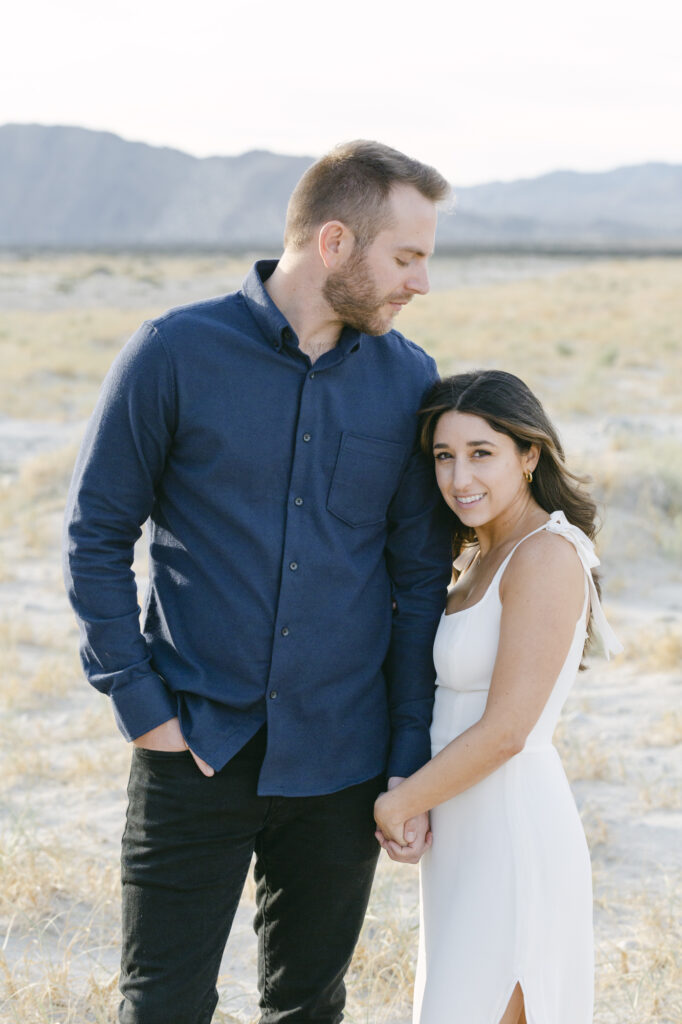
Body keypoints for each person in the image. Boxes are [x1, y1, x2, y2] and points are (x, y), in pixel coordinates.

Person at [62, 141, 453, 1024]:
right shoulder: (172, 352)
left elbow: (417, 580)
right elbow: (95, 536)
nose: (421, 283)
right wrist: (142, 707)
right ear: (335, 243)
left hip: (342, 763)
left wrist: (403, 757)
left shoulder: (409, 380)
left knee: (309, 1005)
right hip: (194, 743)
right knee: (161, 1005)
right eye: (408, 256)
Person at [373, 370, 622, 1024]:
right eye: (444, 457)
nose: (460, 479)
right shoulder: (476, 558)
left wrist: (401, 802)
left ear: (529, 454)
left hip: (512, 834)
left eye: (481, 453)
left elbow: (509, 728)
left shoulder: (545, 555)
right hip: (460, 834)